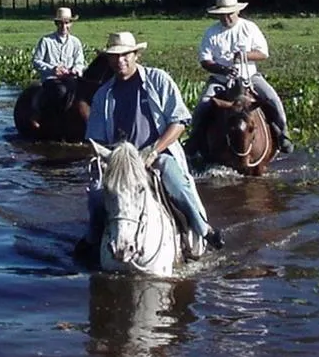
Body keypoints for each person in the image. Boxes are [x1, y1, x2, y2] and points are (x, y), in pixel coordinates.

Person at [78, 31, 224, 258]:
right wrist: (105, 159)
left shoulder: (158, 80)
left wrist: (154, 151)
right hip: (120, 161)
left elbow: (179, 121)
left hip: (157, 154)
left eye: (126, 55)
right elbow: (95, 139)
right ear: (108, 59)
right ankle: (93, 240)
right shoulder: (102, 95)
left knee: (177, 183)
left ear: (136, 55)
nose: (120, 61)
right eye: (114, 56)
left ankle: (202, 229)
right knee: (97, 195)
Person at [184, 0, 293, 158]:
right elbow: (205, 61)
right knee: (203, 104)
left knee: (272, 99)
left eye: (229, 14)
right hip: (220, 79)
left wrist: (244, 55)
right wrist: (223, 69)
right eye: (222, 15)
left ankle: (283, 134)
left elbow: (263, 53)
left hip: (250, 77)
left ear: (237, 12)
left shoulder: (249, 28)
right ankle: (195, 139)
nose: (226, 18)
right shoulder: (211, 33)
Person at [31, 6, 86, 112]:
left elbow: (80, 62)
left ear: (71, 23)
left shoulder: (76, 42)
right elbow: (36, 61)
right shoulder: (46, 41)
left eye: (67, 23)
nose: (64, 26)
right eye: (61, 23)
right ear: (56, 24)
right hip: (51, 80)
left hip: (71, 80)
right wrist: (53, 69)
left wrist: (76, 69)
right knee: (60, 91)